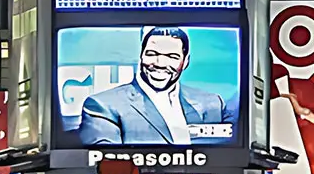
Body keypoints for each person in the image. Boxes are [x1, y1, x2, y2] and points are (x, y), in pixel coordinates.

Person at [76, 28, 236, 146]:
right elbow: (105, 165)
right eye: (152, 54)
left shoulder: (213, 103)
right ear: (141, 55)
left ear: (185, 61)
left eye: (172, 57)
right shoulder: (102, 105)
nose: (160, 64)